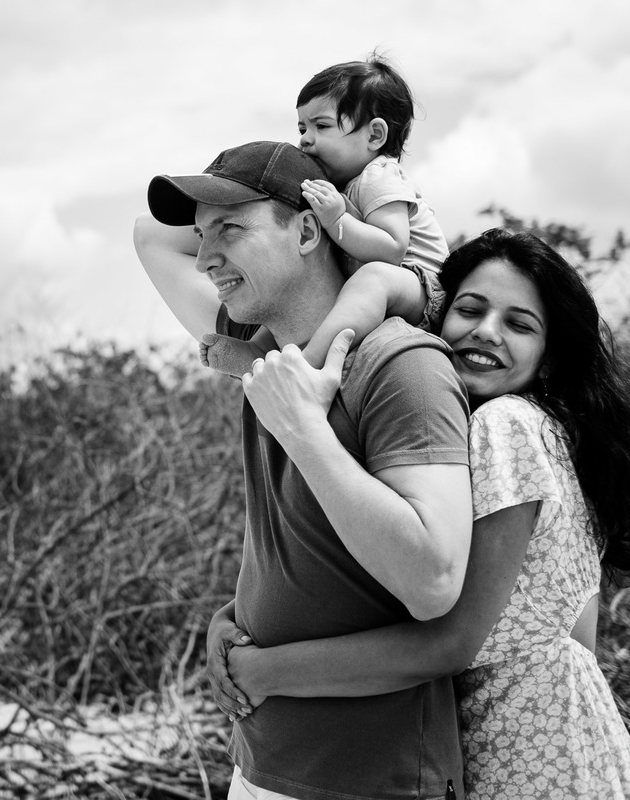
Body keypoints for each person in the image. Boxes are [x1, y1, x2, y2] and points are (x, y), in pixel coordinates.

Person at [210, 229, 630, 799]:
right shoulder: (540, 429)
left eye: (520, 325)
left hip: (530, 753)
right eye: (469, 309)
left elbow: (448, 643)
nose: (486, 332)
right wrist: (235, 615)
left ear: (550, 359)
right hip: (571, 734)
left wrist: (266, 671)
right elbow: (577, 636)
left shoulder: (507, 427)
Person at [134, 139, 473, 799]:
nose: (204, 258)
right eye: (202, 236)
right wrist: (237, 616)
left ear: (310, 228)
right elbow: (150, 233)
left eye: (229, 229)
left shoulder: (399, 363)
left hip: (373, 780)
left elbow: (432, 580)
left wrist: (303, 428)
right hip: (265, 764)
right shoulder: (262, 356)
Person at [201, 55, 449, 378]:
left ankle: (306, 365)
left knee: (370, 280)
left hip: (425, 290)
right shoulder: (340, 187)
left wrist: (337, 221)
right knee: (299, 284)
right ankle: (260, 351)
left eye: (322, 126)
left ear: (375, 136)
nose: (305, 138)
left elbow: (392, 248)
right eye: (302, 127)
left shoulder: (379, 176)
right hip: (383, 292)